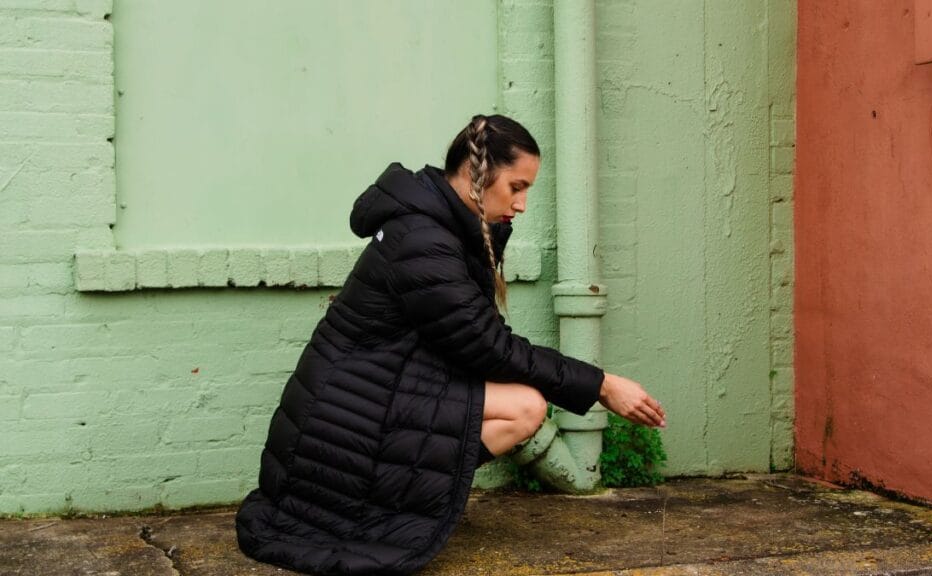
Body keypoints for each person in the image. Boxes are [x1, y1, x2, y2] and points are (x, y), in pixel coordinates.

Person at [234, 114, 666, 575]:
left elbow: (470, 338)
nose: (521, 205)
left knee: (525, 408)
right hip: (344, 421)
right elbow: (488, 346)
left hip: (375, 396)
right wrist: (600, 385)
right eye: (516, 187)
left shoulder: (442, 225)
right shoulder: (424, 238)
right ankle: (386, 499)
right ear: (480, 174)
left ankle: (401, 492)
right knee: (525, 407)